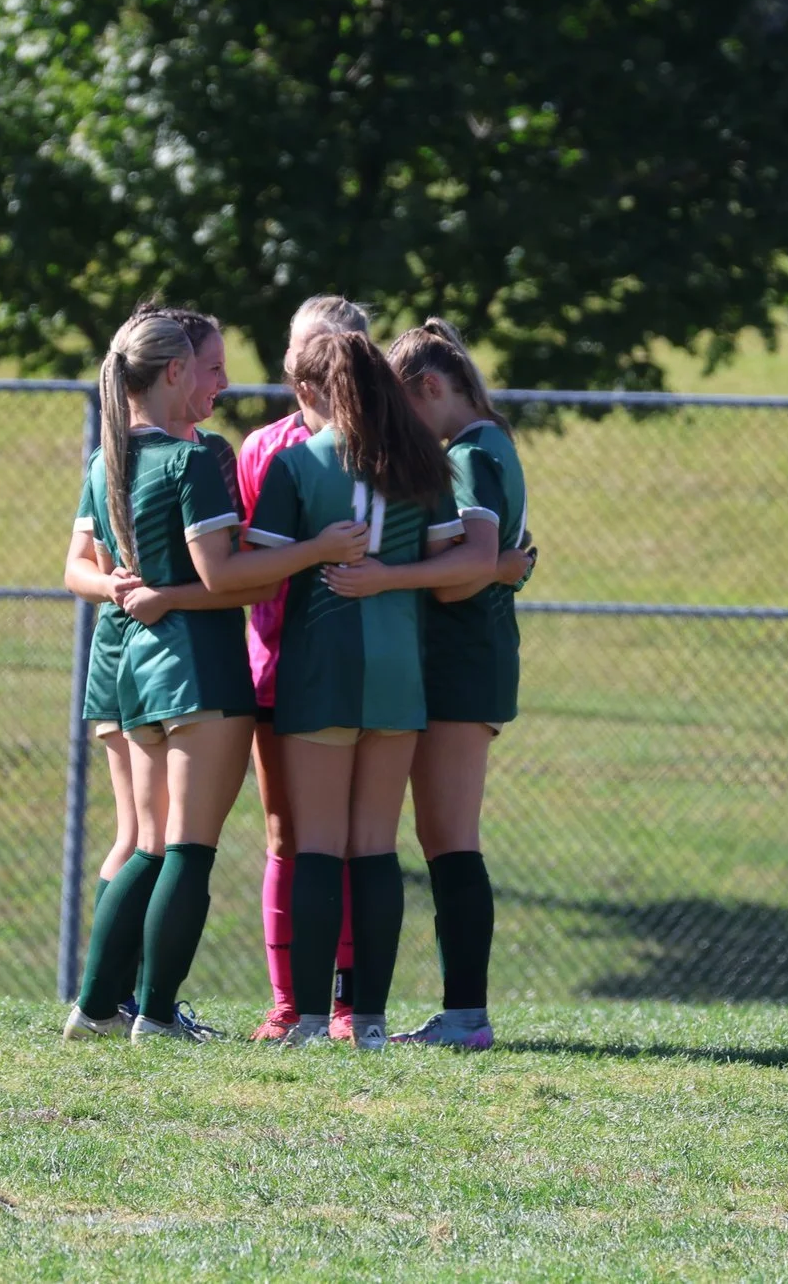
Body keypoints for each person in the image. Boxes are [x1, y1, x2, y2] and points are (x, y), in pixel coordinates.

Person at [60, 308, 365, 1043]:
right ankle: (150, 1012)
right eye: (212, 368)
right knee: (186, 848)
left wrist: (145, 593)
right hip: (200, 669)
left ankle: (98, 1006)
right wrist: (315, 547)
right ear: (174, 372)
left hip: (136, 669)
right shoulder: (197, 459)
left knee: (146, 843)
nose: (224, 382)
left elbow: (104, 572)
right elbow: (224, 572)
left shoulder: (109, 460)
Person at [239, 327, 503, 1048]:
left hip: (320, 666)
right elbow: (458, 569)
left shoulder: (297, 465)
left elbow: (259, 574)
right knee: (375, 846)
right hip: (398, 673)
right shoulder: (421, 466)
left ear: (318, 389)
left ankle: (313, 1019)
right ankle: (374, 1021)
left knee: (318, 843)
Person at [325, 318, 528, 1050]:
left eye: (401, 404)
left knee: (449, 840)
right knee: (442, 836)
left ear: (432, 389)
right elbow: (495, 559)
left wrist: (388, 575)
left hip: (462, 662)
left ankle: (467, 1014)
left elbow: (470, 564)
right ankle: (462, 1012)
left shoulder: (471, 452)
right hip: (467, 660)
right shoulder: (487, 443)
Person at [238, 295, 366, 1043]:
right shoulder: (266, 450)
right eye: (303, 355)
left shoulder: (390, 445)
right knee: (289, 835)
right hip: (281, 668)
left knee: (361, 840)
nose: (312, 370)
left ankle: (351, 1003)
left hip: (370, 678)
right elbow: (248, 566)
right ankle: (290, 1002)